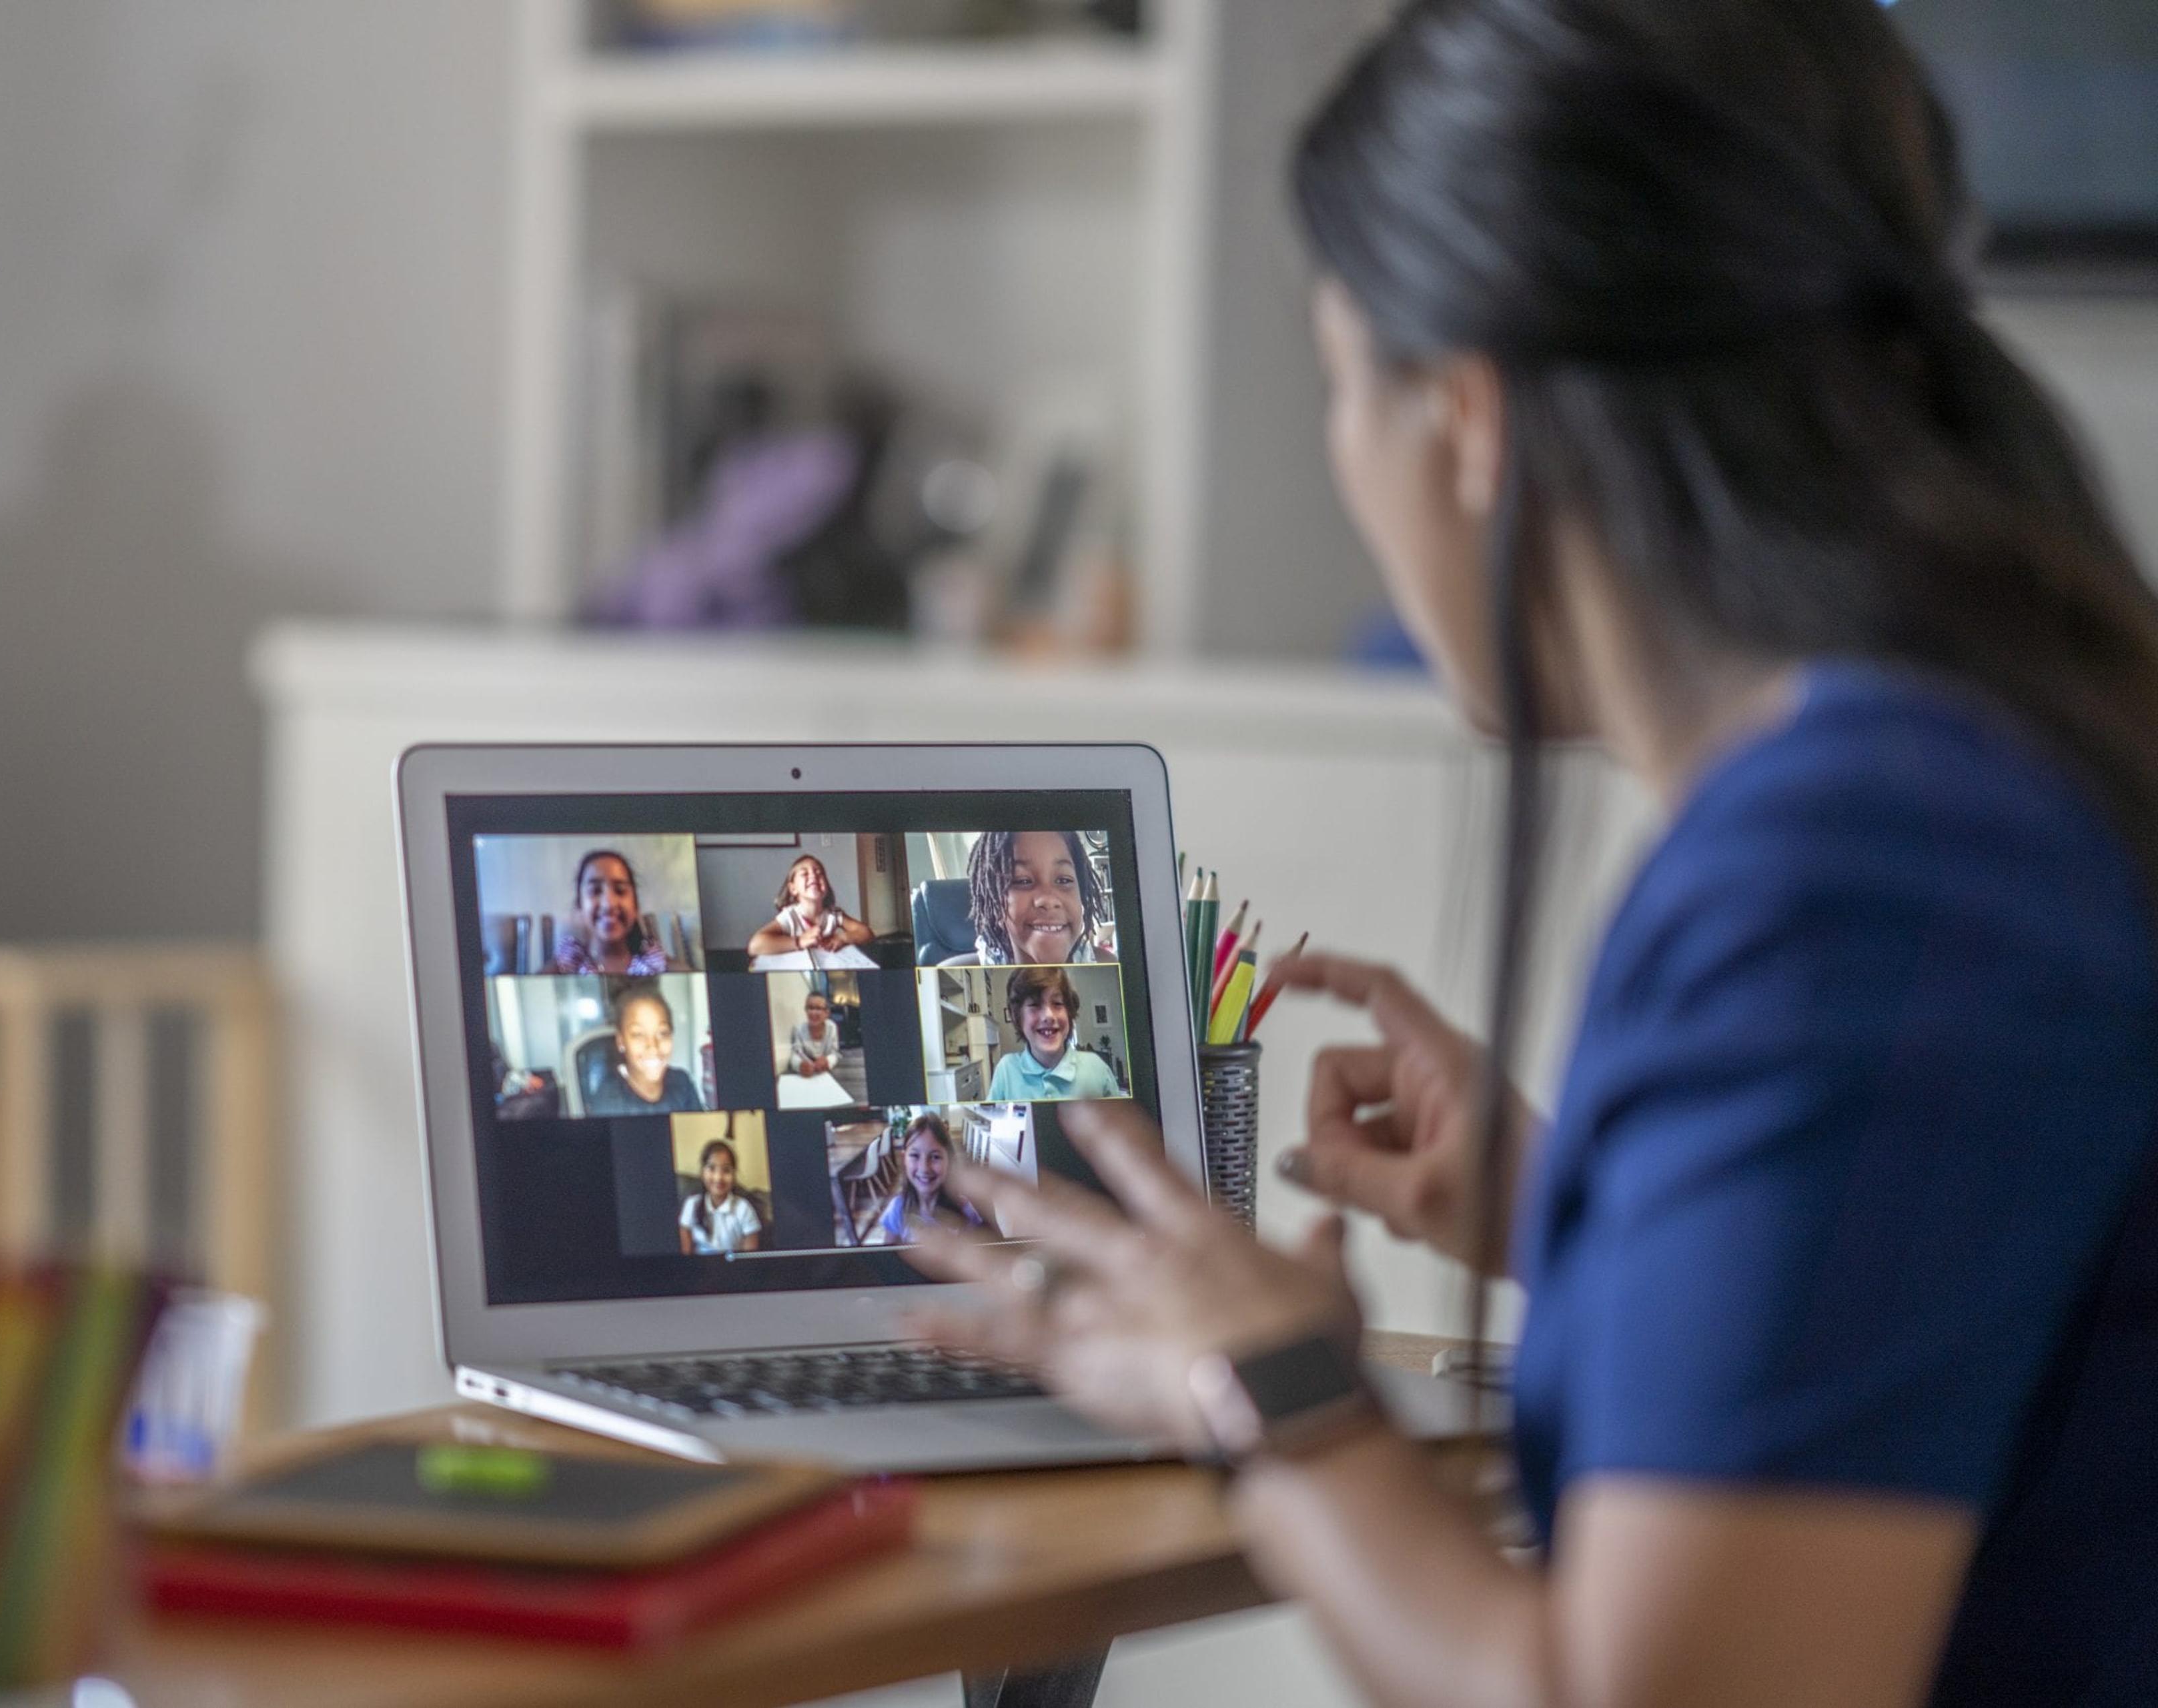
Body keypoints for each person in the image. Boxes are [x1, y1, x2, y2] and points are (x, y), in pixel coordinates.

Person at [903, 3, 2158, 1704]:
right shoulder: (1977, 756)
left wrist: (1260, 1381)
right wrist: (1573, 1215)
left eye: (1341, 384)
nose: (1348, 457)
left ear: (1470, 422)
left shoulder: (1854, 862)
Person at [958, 831, 1113, 966]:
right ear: (996, 902)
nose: (1048, 900)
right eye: (1023, 881)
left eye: (1064, 880)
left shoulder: (1109, 966)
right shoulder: (957, 970)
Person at [986, 967, 1122, 1102]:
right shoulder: (1006, 1070)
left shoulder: (1097, 1068)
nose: (1049, 1016)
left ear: (1069, 1013)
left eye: (1057, 1004)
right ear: (1018, 1017)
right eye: (1035, 1005)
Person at [582, 984, 708, 1116]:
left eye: (662, 1033)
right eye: (639, 1035)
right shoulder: (608, 1103)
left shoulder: (682, 1082)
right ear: (621, 1042)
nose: (653, 1047)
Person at [549, 850, 678, 975]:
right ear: (580, 905)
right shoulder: (569, 964)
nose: (609, 904)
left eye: (620, 891)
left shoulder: (654, 963)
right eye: (595, 891)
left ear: (635, 905)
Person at [747, 854, 878, 967]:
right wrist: (799, 942)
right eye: (804, 874)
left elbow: (867, 933)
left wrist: (843, 938)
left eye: (819, 873)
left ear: (826, 885)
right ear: (793, 889)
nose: (814, 877)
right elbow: (755, 946)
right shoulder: (790, 917)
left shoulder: (834, 914)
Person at [875, 1114, 983, 1245]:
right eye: (915, 1155)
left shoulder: (965, 1212)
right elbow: (888, 1258)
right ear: (904, 1159)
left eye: (935, 1157)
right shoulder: (898, 1209)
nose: (924, 1168)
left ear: (949, 1160)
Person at [678, 1139, 762, 1256]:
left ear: (734, 1174)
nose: (718, 1178)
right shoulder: (692, 1204)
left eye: (726, 1170)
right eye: (712, 1168)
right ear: (703, 1172)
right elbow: (686, 1255)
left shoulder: (744, 1209)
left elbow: (749, 1260)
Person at [788, 989, 841, 1078]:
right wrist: (800, 1065)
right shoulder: (799, 1030)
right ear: (806, 1010)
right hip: (808, 1074)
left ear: (827, 1013)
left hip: (826, 1074)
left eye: (818, 1008)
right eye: (810, 1008)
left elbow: (835, 1053)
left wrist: (828, 1061)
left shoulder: (832, 1027)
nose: (813, 1013)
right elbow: (795, 1054)